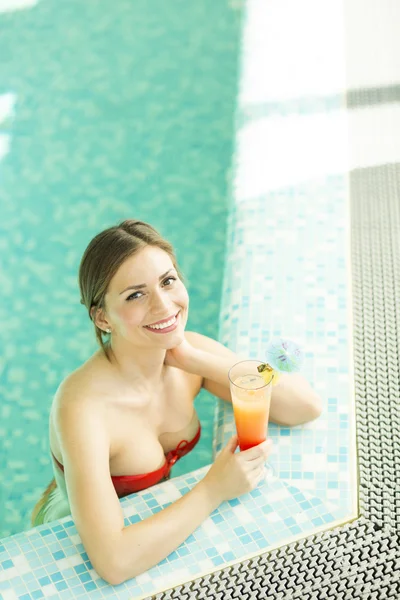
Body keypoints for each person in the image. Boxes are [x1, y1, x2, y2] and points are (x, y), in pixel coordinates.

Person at [31, 219, 322, 584]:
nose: (164, 304)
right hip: (74, 533)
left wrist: (200, 361)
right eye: (135, 295)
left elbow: (304, 407)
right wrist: (215, 487)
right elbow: (113, 563)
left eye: (168, 281)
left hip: (153, 519)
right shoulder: (83, 407)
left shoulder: (189, 355)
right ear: (102, 317)